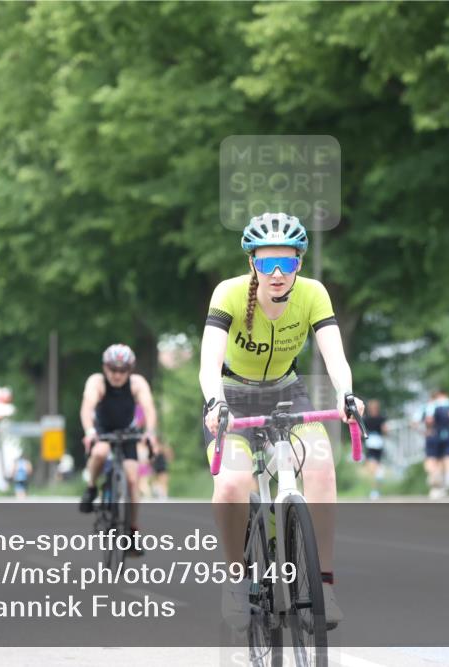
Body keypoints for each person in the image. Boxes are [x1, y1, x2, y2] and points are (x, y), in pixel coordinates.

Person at [200, 212, 364, 631]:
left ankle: (323, 586)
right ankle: (236, 581)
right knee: (233, 484)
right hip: (232, 397)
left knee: (322, 467)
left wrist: (347, 395)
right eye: (267, 263)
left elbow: (334, 357)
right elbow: (208, 364)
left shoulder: (313, 294)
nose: (277, 273)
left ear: (300, 265)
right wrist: (215, 403)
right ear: (251, 262)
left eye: (287, 263)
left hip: (288, 394)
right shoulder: (229, 293)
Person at [78, 344, 160, 551]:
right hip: (102, 429)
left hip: (127, 432)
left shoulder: (136, 383)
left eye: (122, 370)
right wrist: (89, 432)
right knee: (100, 452)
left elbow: (149, 408)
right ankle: (91, 488)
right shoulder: (96, 382)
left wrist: (150, 432)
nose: (117, 375)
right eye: (113, 369)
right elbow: (87, 408)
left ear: (130, 370)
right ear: (105, 368)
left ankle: (132, 531)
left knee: (132, 479)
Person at [422, 389, 449, 499]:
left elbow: (429, 420)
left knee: (433, 460)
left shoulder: (432, 404)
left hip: (435, 434)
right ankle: (448, 482)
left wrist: (427, 430)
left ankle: (436, 485)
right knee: (448, 458)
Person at [362, 400, 388, 500]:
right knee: (374, 468)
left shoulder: (366, 419)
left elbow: (362, 432)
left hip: (372, 444)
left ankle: (375, 491)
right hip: (377, 443)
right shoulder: (381, 418)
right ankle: (376, 488)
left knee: (372, 468)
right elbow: (385, 430)